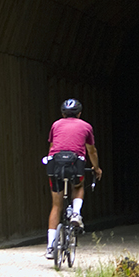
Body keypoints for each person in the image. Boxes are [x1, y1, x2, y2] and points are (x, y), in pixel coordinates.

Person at [44, 98, 102, 259]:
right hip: (75, 164)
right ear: (80, 113)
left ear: (62, 113)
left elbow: (52, 147)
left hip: (55, 164)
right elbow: (92, 151)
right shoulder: (86, 126)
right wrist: (96, 168)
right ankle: (76, 213)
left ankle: (50, 247)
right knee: (78, 186)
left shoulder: (56, 125)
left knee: (56, 206)